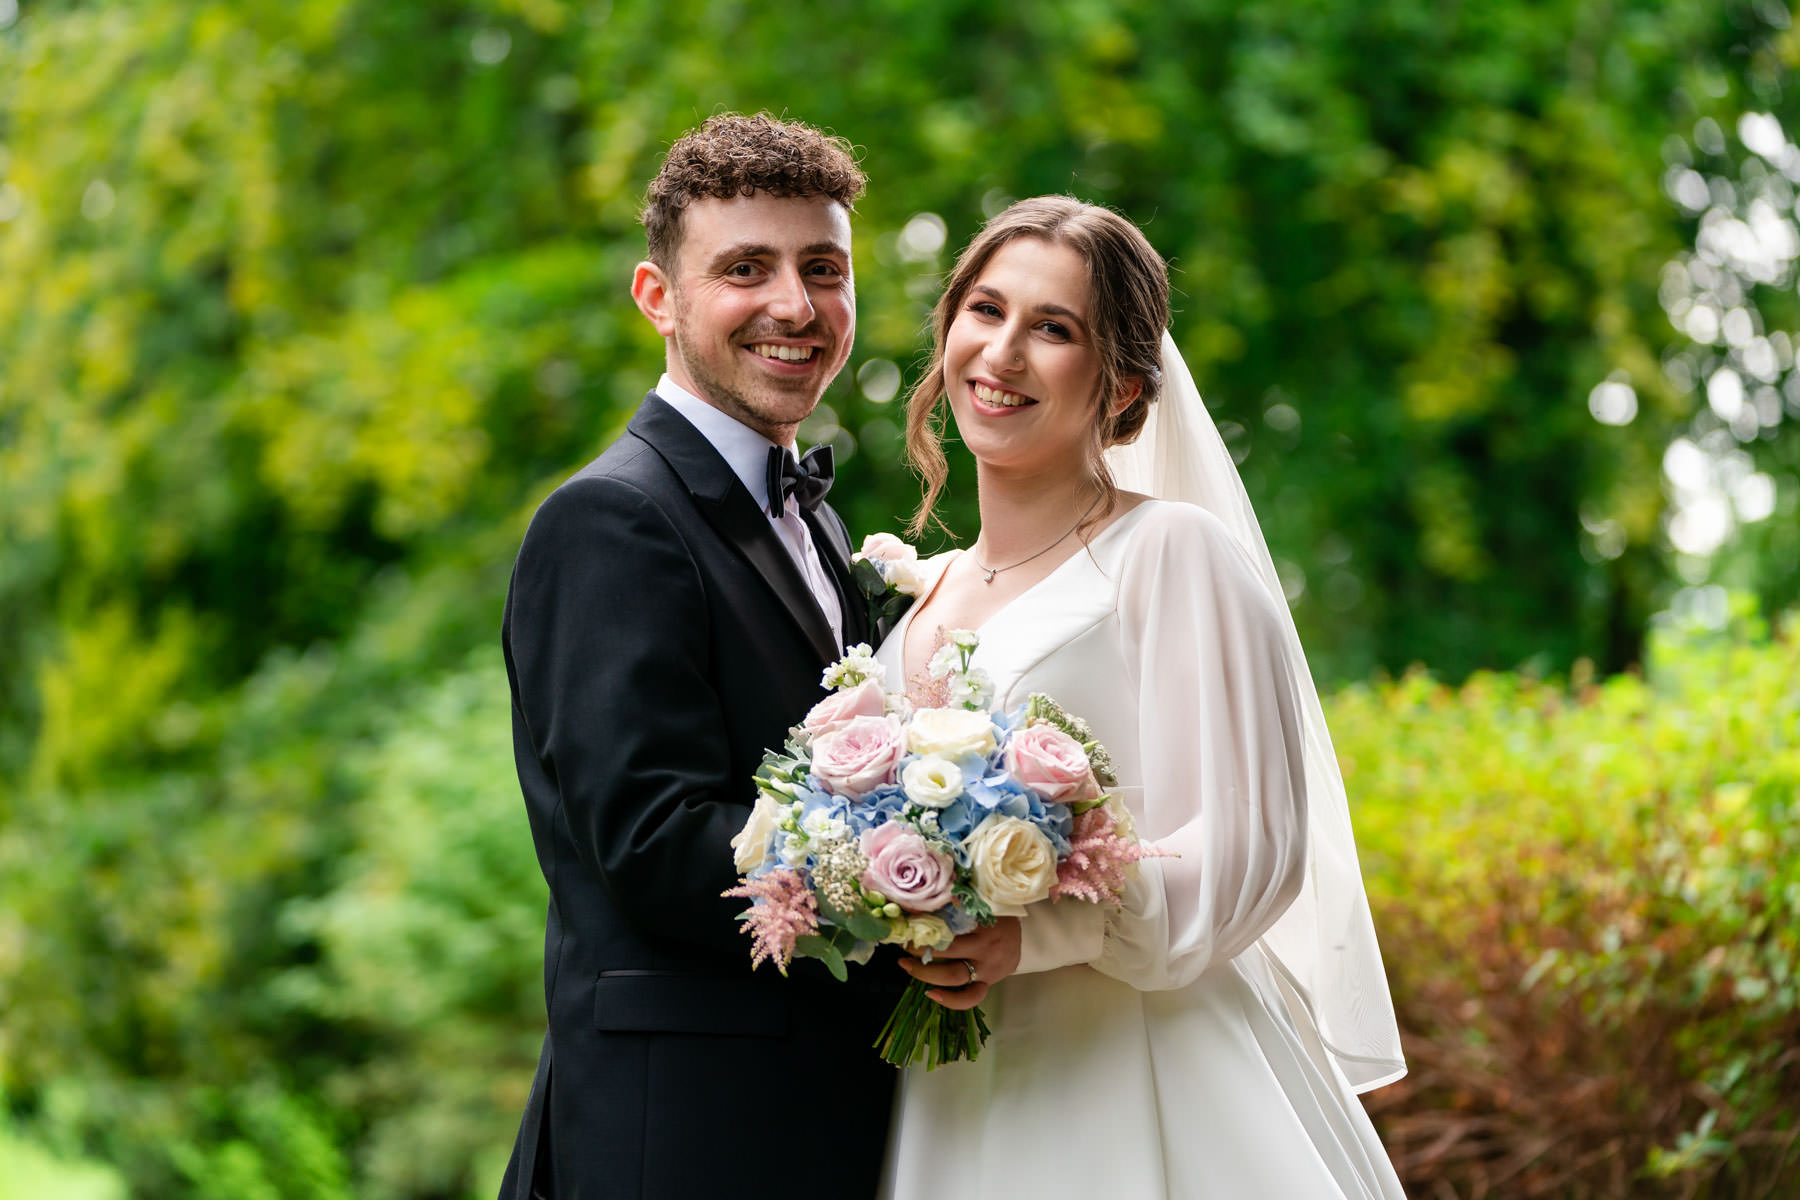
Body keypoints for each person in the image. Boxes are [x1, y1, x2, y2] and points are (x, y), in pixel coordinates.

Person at [874, 196, 1408, 1198]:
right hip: (947, 1085)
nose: (1003, 353)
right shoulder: (919, 596)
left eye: (1054, 329)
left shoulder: (1170, 554)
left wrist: (1040, 931)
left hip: (1137, 1063)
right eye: (984, 311)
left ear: (1121, 386)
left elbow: (1254, 840)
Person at [497, 113, 901, 1200]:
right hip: (685, 1133)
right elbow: (652, 840)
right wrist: (922, 884)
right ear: (657, 298)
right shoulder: (610, 521)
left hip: (816, 1117)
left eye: (825, 268)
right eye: (745, 269)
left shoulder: (812, 518)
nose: (796, 306)